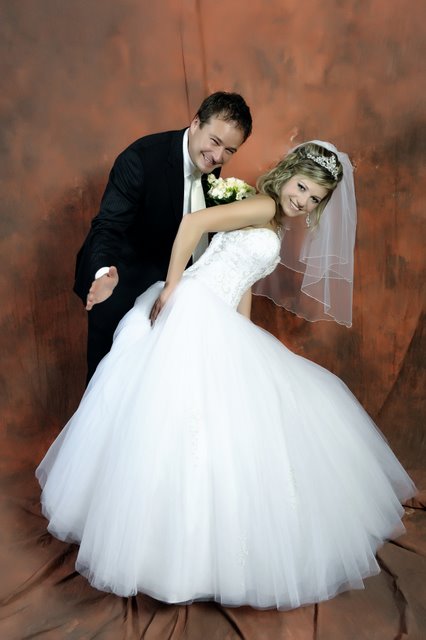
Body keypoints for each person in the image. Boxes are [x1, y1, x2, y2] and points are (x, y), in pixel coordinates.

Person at [37, 141, 416, 610]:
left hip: (216, 315)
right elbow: (192, 224)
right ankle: (162, 548)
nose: (303, 201)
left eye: (314, 198)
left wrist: (244, 332)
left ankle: (188, 549)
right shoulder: (262, 205)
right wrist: (174, 286)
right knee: (179, 419)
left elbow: (244, 281)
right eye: (301, 188)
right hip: (195, 305)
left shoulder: (271, 217)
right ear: (287, 175)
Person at [73, 91, 253, 381]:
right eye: (215, 141)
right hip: (121, 285)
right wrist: (103, 273)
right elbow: (107, 225)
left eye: (230, 150)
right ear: (196, 124)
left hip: (173, 297)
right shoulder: (140, 159)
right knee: (108, 382)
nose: (219, 156)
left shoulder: (211, 165)